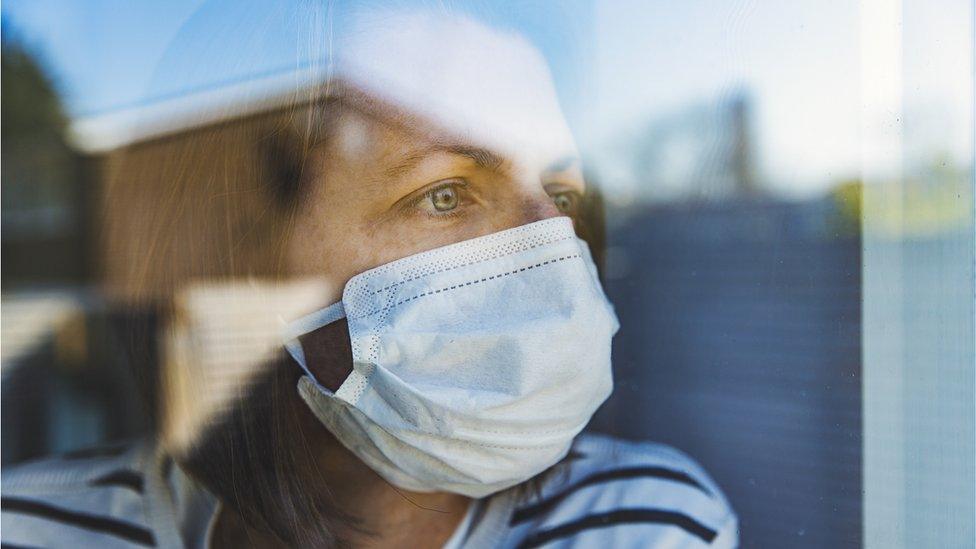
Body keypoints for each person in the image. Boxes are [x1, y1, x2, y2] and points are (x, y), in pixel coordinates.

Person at [1, 7, 737, 548]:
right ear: (239, 258)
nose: (552, 247)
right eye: (444, 194)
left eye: (564, 196)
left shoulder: (645, 527)